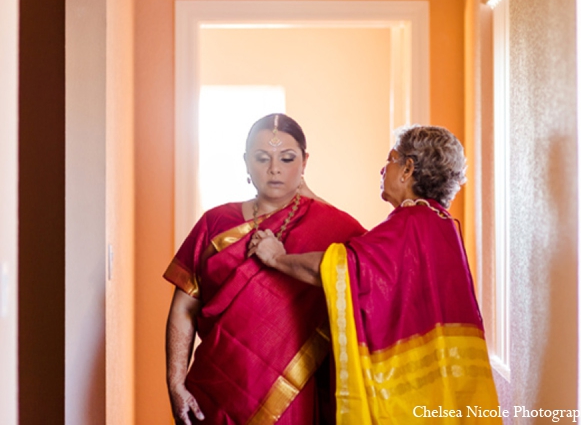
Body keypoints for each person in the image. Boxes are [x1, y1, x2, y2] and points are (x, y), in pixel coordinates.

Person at [250, 125, 501, 424]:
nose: (383, 169)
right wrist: (312, 197)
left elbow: (346, 268)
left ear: (408, 169)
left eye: (391, 159)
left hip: (411, 400)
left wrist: (277, 258)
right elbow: (371, 254)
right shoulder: (438, 224)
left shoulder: (409, 223)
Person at [164, 113, 366, 425]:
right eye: (262, 158)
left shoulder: (338, 229)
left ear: (304, 161)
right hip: (213, 392)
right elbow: (183, 308)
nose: (274, 169)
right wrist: (176, 382)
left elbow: (373, 289)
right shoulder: (215, 223)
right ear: (246, 162)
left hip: (294, 395)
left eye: (287, 158)